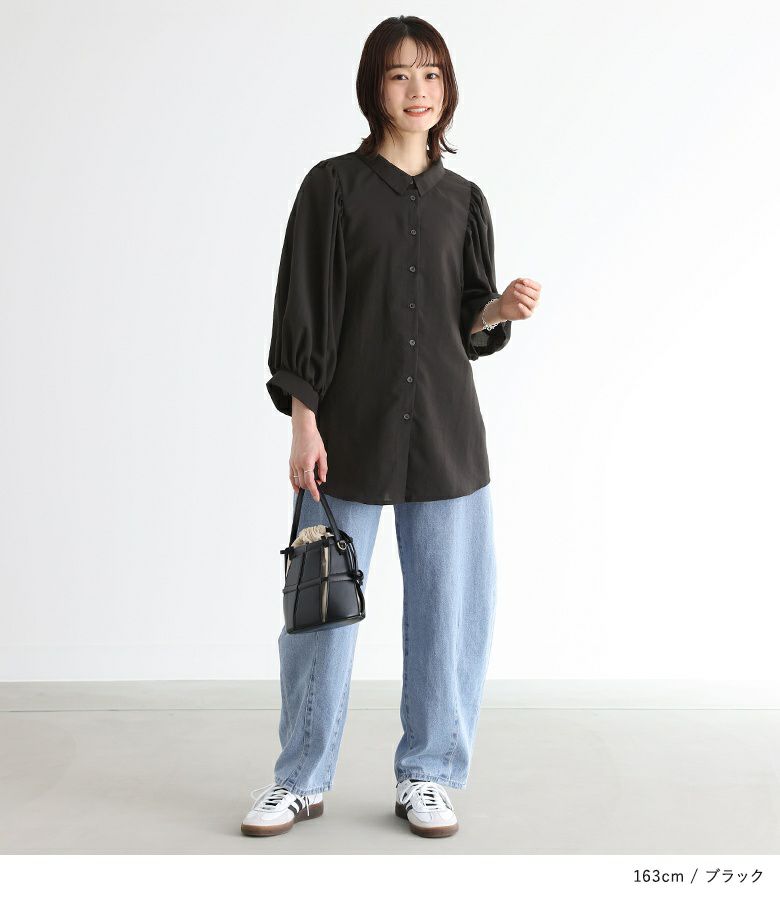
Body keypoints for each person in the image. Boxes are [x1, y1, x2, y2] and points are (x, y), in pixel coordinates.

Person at [242, 15, 541, 839]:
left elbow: (464, 322)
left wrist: (497, 308)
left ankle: (430, 775)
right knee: (321, 608)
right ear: (374, 86)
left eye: (432, 74)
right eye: (401, 75)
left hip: (446, 434)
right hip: (346, 432)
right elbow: (304, 311)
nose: (418, 90)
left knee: (449, 615)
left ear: (449, 89)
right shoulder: (331, 188)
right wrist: (304, 425)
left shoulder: (465, 200)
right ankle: (300, 778)